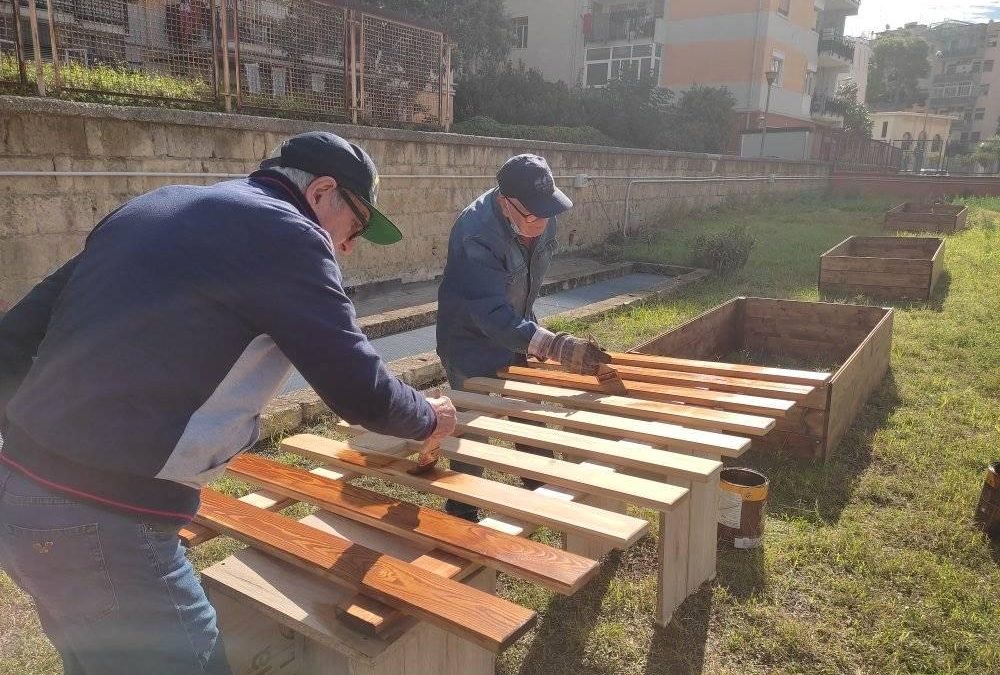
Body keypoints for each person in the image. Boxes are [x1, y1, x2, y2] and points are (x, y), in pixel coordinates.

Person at [0, 131, 457, 675]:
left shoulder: (153, 206)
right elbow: (361, 389)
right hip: (103, 517)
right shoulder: (289, 236)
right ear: (322, 193)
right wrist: (428, 416)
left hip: (18, 492)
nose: (348, 246)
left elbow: (17, 336)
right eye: (354, 227)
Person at [436, 154, 611, 522]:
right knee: (474, 423)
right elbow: (487, 311)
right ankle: (462, 507)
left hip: (518, 325)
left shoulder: (540, 217)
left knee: (527, 408)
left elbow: (521, 289)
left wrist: (533, 335)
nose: (542, 223)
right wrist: (552, 345)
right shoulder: (475, 233)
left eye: (548, 212)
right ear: (504, 203)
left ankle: (541, 488)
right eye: (532, 215)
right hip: (468, 338)